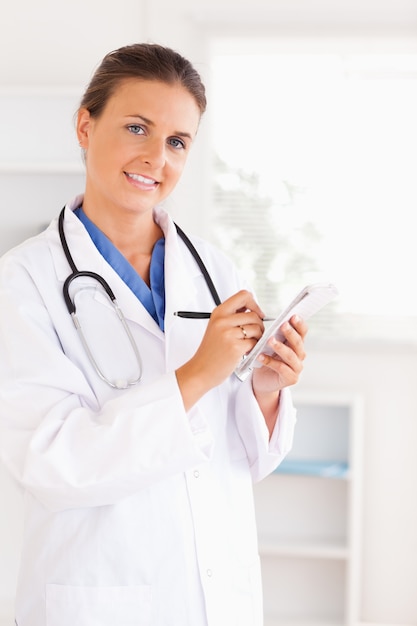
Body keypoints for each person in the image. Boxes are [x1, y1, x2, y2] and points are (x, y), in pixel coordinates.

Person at [0, 43, 307, 626]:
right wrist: (196, 376)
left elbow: (240, 460)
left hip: (217, 598)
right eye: (137, 127)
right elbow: (51, 463)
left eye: (176, 141)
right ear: (85, 127)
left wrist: (264, 389)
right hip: (97, 595)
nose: (155, 158)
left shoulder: (214, 270)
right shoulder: (24, 280)